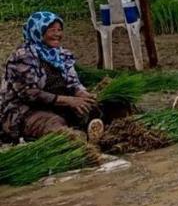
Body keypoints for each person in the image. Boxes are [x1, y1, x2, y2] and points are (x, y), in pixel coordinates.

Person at [1, 12, 103, 143]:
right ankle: (73, 140)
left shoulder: (62, 55)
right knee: (53, 123)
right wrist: (69, 101)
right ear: (38, 31)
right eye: (52, 30)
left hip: (57, 106)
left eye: (60, 30)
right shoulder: (23, 57)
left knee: (95, 108)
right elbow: (29, 93)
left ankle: (93, 134)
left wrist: (81, 93)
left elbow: (73, 82)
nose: (57, 34)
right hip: (26, 111)